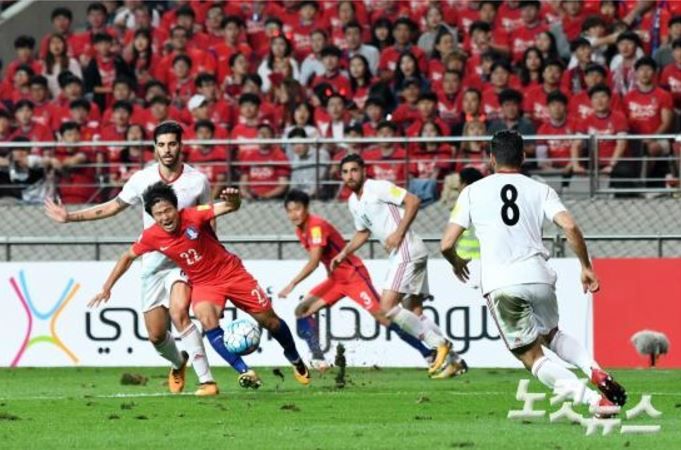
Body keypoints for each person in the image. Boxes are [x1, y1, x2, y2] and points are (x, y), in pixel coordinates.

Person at [441, 130, 627, 415]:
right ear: (524, 157)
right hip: (540, 276)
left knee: (531, 357)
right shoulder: (540, 189)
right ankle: (594, 369)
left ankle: (595, 401)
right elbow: (569, 226)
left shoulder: (472, 192)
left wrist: (456, 262)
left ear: (491, 160)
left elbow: (446, 244)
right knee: (552, 334)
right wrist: (586, 267)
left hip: (503, 284)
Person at [43, 121, 218, 396]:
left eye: (172, 144)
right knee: (156, 335)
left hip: (184, 260)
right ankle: (178, 362)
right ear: (155, 148)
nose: (167, 150)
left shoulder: (198, 181)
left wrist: (212, 255)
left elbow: (209, 219)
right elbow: (113, 207)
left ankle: (207, 381)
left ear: (181, 146)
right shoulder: (141, 179)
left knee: (180, 313)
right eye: (162, 145)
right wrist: (70, 217)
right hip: (152, 263)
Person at [89, 182, 310, 388]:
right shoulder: (151, 236)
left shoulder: (194, 215)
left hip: (232, 273)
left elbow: (229, 207)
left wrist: (233, 199)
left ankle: (294, 358)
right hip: (204, 283)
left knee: (270, 321)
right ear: (152, 216)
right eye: (158, 214)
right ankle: (245, 371)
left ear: (176, 208)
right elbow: (127, 257)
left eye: (168, 210)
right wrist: (107, 287)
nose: (165, 217)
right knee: (207, 321)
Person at [279, 189, 467, 378]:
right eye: (290, 211)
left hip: (353, 276)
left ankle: (428, 353)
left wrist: (292, 284)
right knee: (302, 310)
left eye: (297, 209)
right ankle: (318, 357)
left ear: (306, 208)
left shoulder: (316, 227)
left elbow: (314, 262)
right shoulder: (300, 230)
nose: (294, 214)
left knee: (385, 317)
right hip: (336, 280)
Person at [331, 154, 455, 377]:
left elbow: (413, 201)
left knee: (387, 307)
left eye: (354, 170)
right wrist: (344, 253)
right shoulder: (353, 202)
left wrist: (398, 233)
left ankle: (438, 344)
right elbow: (363, 232)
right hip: (405, 252)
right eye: (345, 172)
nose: (350, 176)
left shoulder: (377, 188)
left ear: (364, 171)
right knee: (414, 312)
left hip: (407, 249)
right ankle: (454, 361)